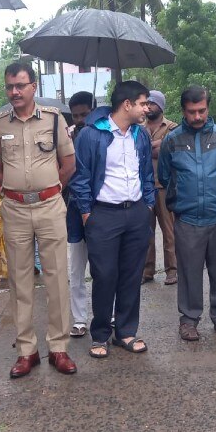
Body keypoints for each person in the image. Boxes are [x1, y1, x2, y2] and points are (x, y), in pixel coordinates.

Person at [0, 62, 77, 378]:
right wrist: (17, 190)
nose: (14, 91)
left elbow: (68, 163)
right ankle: (27, 351)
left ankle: (59, 348)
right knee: (20, 281)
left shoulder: (54, 119)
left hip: (50, 206)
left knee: (56, 277)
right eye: (10, 86)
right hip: (14, 209)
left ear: (33, 87)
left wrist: (48, 190)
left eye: (20, 85)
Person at [71, 81, 154, 358]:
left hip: (137, 212)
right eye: (143, 103)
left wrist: (149, 206)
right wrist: (86, 214)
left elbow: (146, 174)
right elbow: (80, 177)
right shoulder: (92, 135)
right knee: (105, 275)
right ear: (127, 104)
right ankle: (100, 334)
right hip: (103, 214)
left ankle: (126, 332)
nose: (147, 108)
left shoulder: (139, 135)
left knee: (131, 275)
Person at [159, 86, 216, 342]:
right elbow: (164, 175)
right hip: (187, 219)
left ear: (208, 108)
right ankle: (189, 319)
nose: (197, 117)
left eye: (202, 111)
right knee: (189, 272)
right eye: (192, 112)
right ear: (183, 111)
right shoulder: (172, 141)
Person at [142, 90, 178, 286]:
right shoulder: (138, 128)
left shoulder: (172, 128)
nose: (148, 107)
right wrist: (156, 146)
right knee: (146, 232)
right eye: (146, 103)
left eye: (152, 103)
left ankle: (172, 270)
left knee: (169, 231)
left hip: (164, 187)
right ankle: (147, 271)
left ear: (161, 106)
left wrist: (157, 147)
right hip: (144, 188)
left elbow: (171, 151)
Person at [66, 91, 94, 338]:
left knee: (103, 267)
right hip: (74, 211)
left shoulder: (104, 137)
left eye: (84, 114)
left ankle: (110, 314)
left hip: (99, 211)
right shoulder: (65, 139)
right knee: (75, 269)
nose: (80, 119)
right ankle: (79, 318)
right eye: (75, 116)